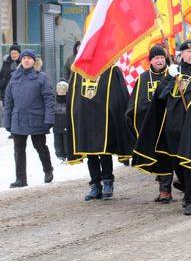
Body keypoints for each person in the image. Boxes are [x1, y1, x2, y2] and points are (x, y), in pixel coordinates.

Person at [132, 39, 191, 216]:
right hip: (172, 127)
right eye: (188, 52)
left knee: (190, 164)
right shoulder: (174, 71)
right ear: (182, 55)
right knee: (177, 163)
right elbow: (161, 97)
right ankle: (187, 187)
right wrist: (168, 79)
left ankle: (190, 201)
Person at [68, 66, 133, 200]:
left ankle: (108, 182)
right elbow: (74, 95)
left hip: (103, 118)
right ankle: (95, 185)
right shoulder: (79, 71)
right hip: (85, 118)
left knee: (104, 151)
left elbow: (118, 95)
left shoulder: (110, 70)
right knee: (90, 153)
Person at [125, 45, 171, 202]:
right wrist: (131, 115)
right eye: (156, 58)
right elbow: (136, 103)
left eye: (162, 58)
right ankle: (165, 189)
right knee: (158, 156)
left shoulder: (172, 75)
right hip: (151, 125)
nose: (159, 60)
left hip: (169, 124)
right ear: (150, 60)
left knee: (169, 155)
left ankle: (180, 184)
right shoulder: (143, 78)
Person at [3, 49, 55, 188]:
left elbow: (49, 99)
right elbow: (8, 102)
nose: (26, 60)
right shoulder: (14, 78)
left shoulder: (42, 77)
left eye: (29, 58)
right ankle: (21, 179)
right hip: (18, 119)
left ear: (34, 61)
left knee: (40, 146)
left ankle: (48, 169)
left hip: (37, 119)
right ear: (21, 60)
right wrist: (7, 121)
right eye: (24, 58)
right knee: (18, 150)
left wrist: (49, 119)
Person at [53, 80, 69, 163]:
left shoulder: (69, 100)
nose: (61, 93)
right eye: (59, 91)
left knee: (66, 142)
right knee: (58, 143)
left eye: (63, 91)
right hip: (57, 125)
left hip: (66, 125)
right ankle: (60, 156)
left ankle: (67, 155)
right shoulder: (54, 101)